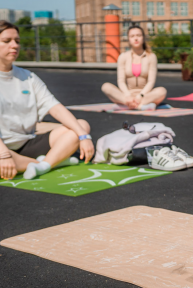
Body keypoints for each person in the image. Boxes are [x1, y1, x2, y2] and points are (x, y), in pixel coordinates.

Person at [0, 21, 95, 181]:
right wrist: (3, 154)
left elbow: (55, 107)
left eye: (17, 41)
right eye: (7, 41)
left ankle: (42, 166)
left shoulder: (28, 77)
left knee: (81, 126)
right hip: (3, 146)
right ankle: (54, 161)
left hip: (27, 143)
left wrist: (83, 136)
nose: (14, 45)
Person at [101, 25, 167, 111]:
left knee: (162, 91)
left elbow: (151, 81)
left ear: (143, 38)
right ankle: (140, 106)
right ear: (128, 39)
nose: (136, 38)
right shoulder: (123, 57)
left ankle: (126, 106)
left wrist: (140, 95)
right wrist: (128, 95)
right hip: (127, 95)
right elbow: (121, 81)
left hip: (145, 95)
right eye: (132, 36)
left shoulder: (151, 57)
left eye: (138, 35)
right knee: (106, 86)